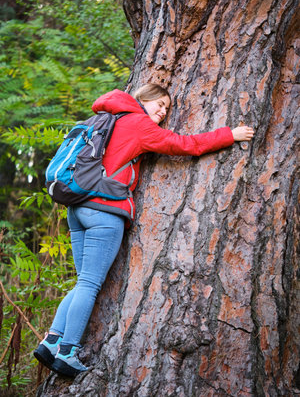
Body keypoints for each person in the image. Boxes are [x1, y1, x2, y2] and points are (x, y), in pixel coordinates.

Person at [34, 84, 254, 377]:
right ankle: (67, 351)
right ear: (142, 100)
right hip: (104, 211)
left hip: (77, 208)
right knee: (88, 284)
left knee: (81, 283)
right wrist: (230, 134)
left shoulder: (106, 117)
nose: (162, 113)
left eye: (166, 109)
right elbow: (185, 145)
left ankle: (51, 342)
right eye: (158, 104)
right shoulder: (138, 123)